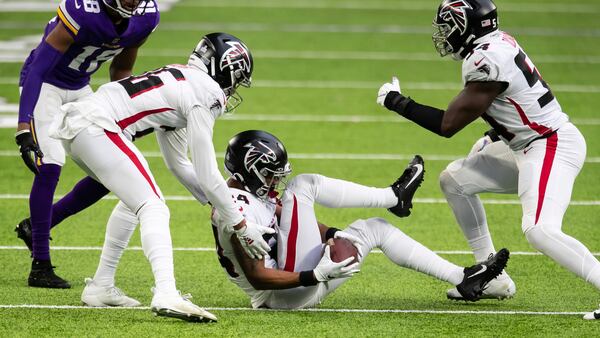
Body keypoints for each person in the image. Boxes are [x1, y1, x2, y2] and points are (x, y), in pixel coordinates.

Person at [376, 0, 600, 319]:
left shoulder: (485, 59)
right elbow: (514, 102)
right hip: (524, 143)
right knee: (454, 180)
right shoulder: (496, 44)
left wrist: (398, 102)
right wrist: (497, 134)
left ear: (468, 26)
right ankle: (491, 276)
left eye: (450, 26)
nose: (446, 34)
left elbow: (447, 125)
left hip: (550, 145)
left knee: (538, 228)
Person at [48, 32, 272, 322]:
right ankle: (166, 292)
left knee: (135, 202)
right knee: (153, 207)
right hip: (97, 126)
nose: (233, 88)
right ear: (225, 68)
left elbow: (179, 164)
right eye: (237, 77)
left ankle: (101, 285)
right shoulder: (207, 92)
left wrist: (221, 207)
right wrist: (241, 224)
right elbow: (207, 172)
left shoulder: (183, 79)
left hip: (83, 127)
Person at [210, 130, 509, 309]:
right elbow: (257, 276)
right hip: (280, 294)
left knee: (374, 229)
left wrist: (334, 234)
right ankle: (393, 197)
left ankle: (465, 278)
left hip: (297, 280)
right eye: (270, 174)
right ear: (250, 170)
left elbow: (290, 220)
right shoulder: (232, 212)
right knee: (303, 185)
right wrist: (315, 275)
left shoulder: (252, 191)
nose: (275, 180)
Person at [15, 0, 159, 289]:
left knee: (112, 170)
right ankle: (40, 265)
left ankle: (36, 226)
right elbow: (39, 68)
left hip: (80, 88)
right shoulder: (82, 10)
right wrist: (23, 125)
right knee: (50, 164)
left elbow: (121, 70)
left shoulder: (145, 17)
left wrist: (127, 115)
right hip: (46, 86)